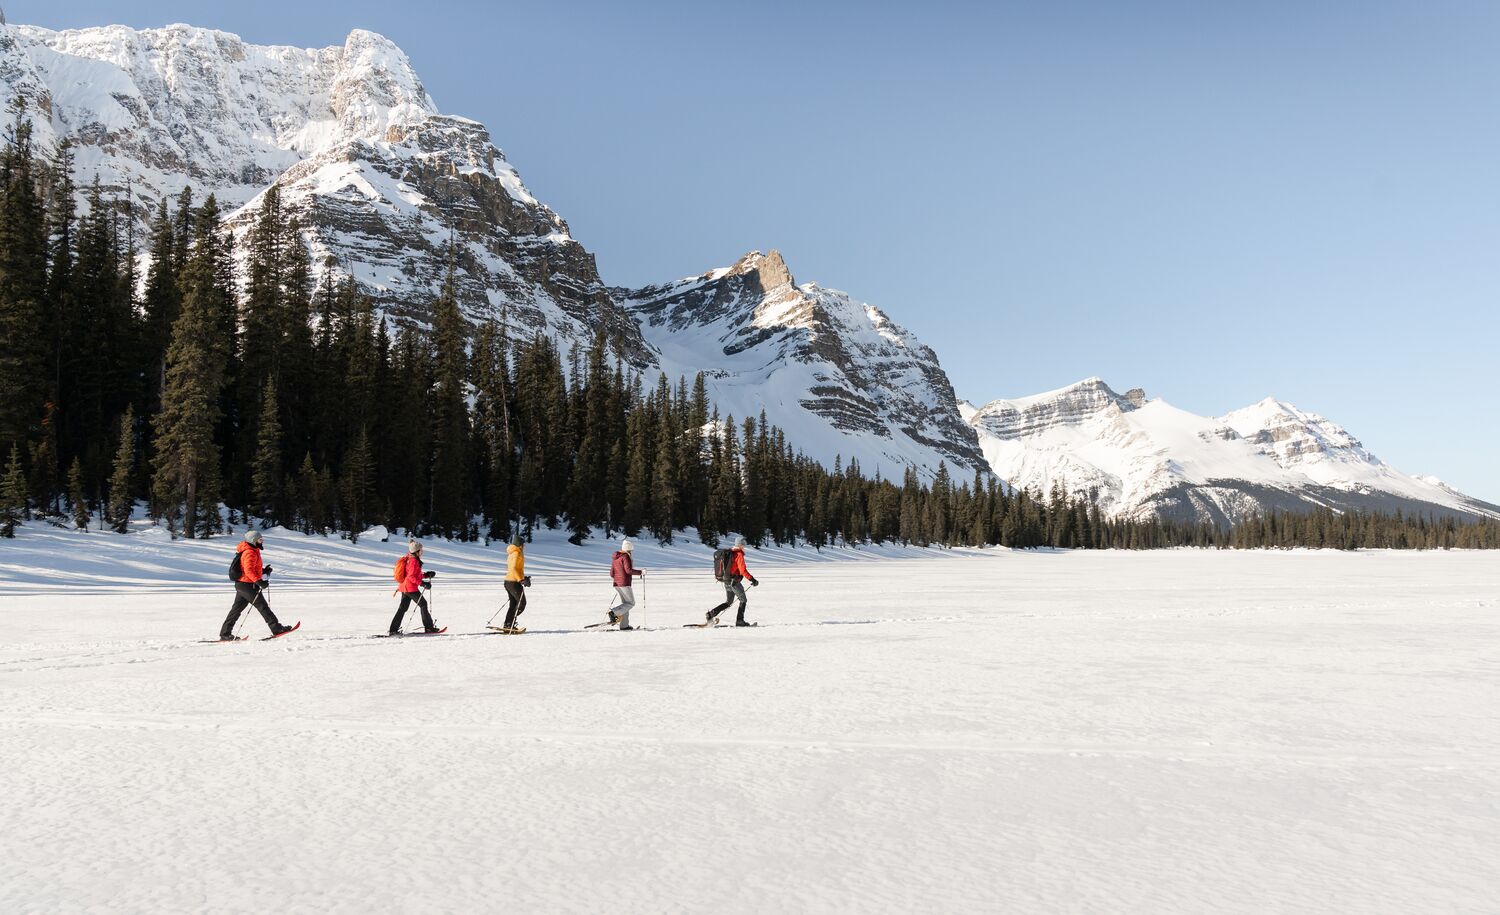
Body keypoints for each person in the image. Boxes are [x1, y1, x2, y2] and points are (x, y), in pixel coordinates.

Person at [220, 530, 292, 640]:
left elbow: (249, 569)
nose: (262, 541)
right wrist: (259, 581)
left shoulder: (253, 550)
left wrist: (264, 571)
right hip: (248, 586)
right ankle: (276, 628)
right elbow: (248, 571)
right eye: (260, 539)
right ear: (253, 541)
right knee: (263, 607)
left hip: (242, 585)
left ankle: (225, 634)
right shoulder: (250, 552)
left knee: (236, 610)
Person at [706, 535, 759, 627]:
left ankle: (711, 614)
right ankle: (740, 621)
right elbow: (743, 570)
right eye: (743, 543)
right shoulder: (739, 554)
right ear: (740, 544)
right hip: (734, 581)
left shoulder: (731, 553)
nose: (745, 545)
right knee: (743, 600)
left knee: (728, 602)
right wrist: (752, 579)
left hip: (726, 580)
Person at [389, 540, 438, 635]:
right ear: (416, 551)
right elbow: (411, 577)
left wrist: (426, 575)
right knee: (423, 604)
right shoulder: (413, 561)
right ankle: (429, 628)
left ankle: (393, 630)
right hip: (410, 588)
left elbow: (414, 574)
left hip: (404, 587)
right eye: (421, 550)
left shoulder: (409, 558)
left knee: (402, 608)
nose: (422, 552)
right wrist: (422, 583)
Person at [606, 539, 645, 630]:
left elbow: (612, 573)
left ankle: (624, 625)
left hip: (617, 583)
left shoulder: (616, 558)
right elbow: (628, 571)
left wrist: (618, 579)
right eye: (631, 550)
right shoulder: (625, 556)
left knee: (625, 604)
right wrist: (641, 572)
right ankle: (614, 613)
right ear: (628, 549)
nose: (631, 552)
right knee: (631, 603)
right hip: (624, 583)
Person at [501, 533, 529, 631]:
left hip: (509, 581)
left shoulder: (513, 552)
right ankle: (509, 623)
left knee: (513, 604)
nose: (524, 546)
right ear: (519, 544)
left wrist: (523, 577)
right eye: (523, 544)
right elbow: (513, 568)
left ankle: (508, 625)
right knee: (522, 603)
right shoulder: (517, 553)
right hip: (513, 582)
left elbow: (516, 568)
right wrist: (521, 579)